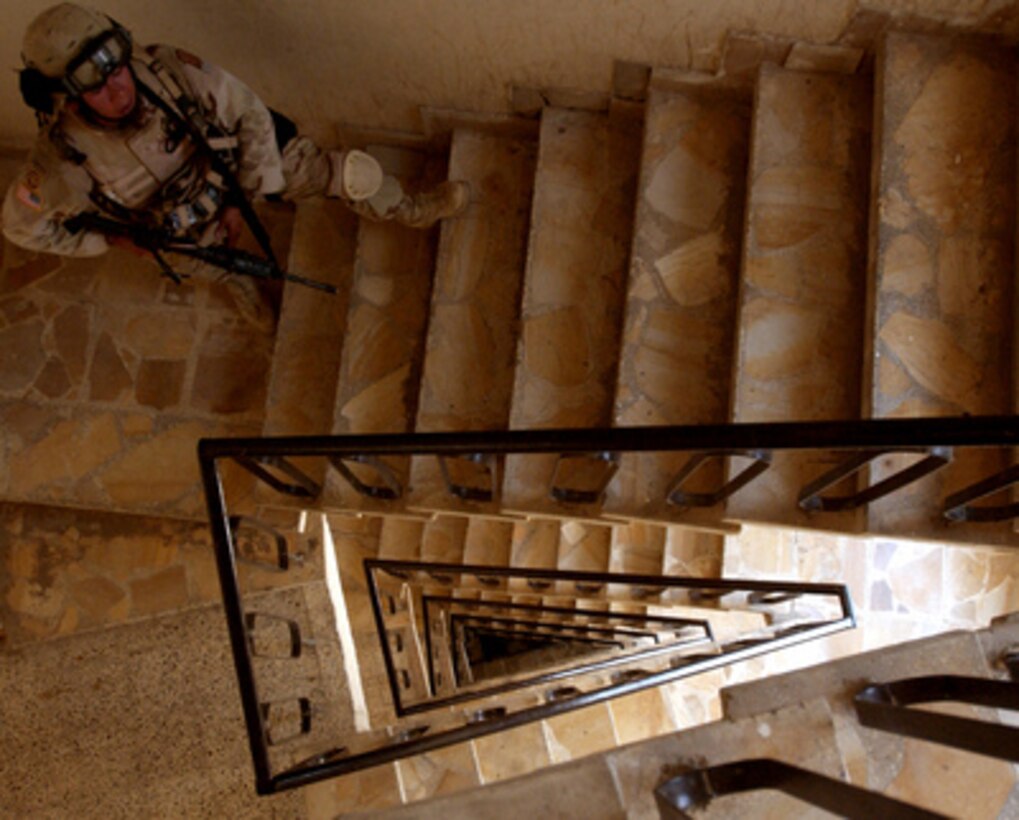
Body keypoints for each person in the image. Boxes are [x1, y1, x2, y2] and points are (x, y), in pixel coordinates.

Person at [2, 3, 469, 330]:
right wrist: (112, 240)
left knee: (350, 173)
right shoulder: (59, 159)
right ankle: (241, 285)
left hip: (235, 169)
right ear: (63, 94)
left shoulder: (164, 68)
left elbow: (247, 111)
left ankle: (408, 207)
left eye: (117, 64)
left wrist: (240, 197)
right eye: (94, 84)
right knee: (217, 267)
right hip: (174, 226)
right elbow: (21, 228)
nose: (118, 87)